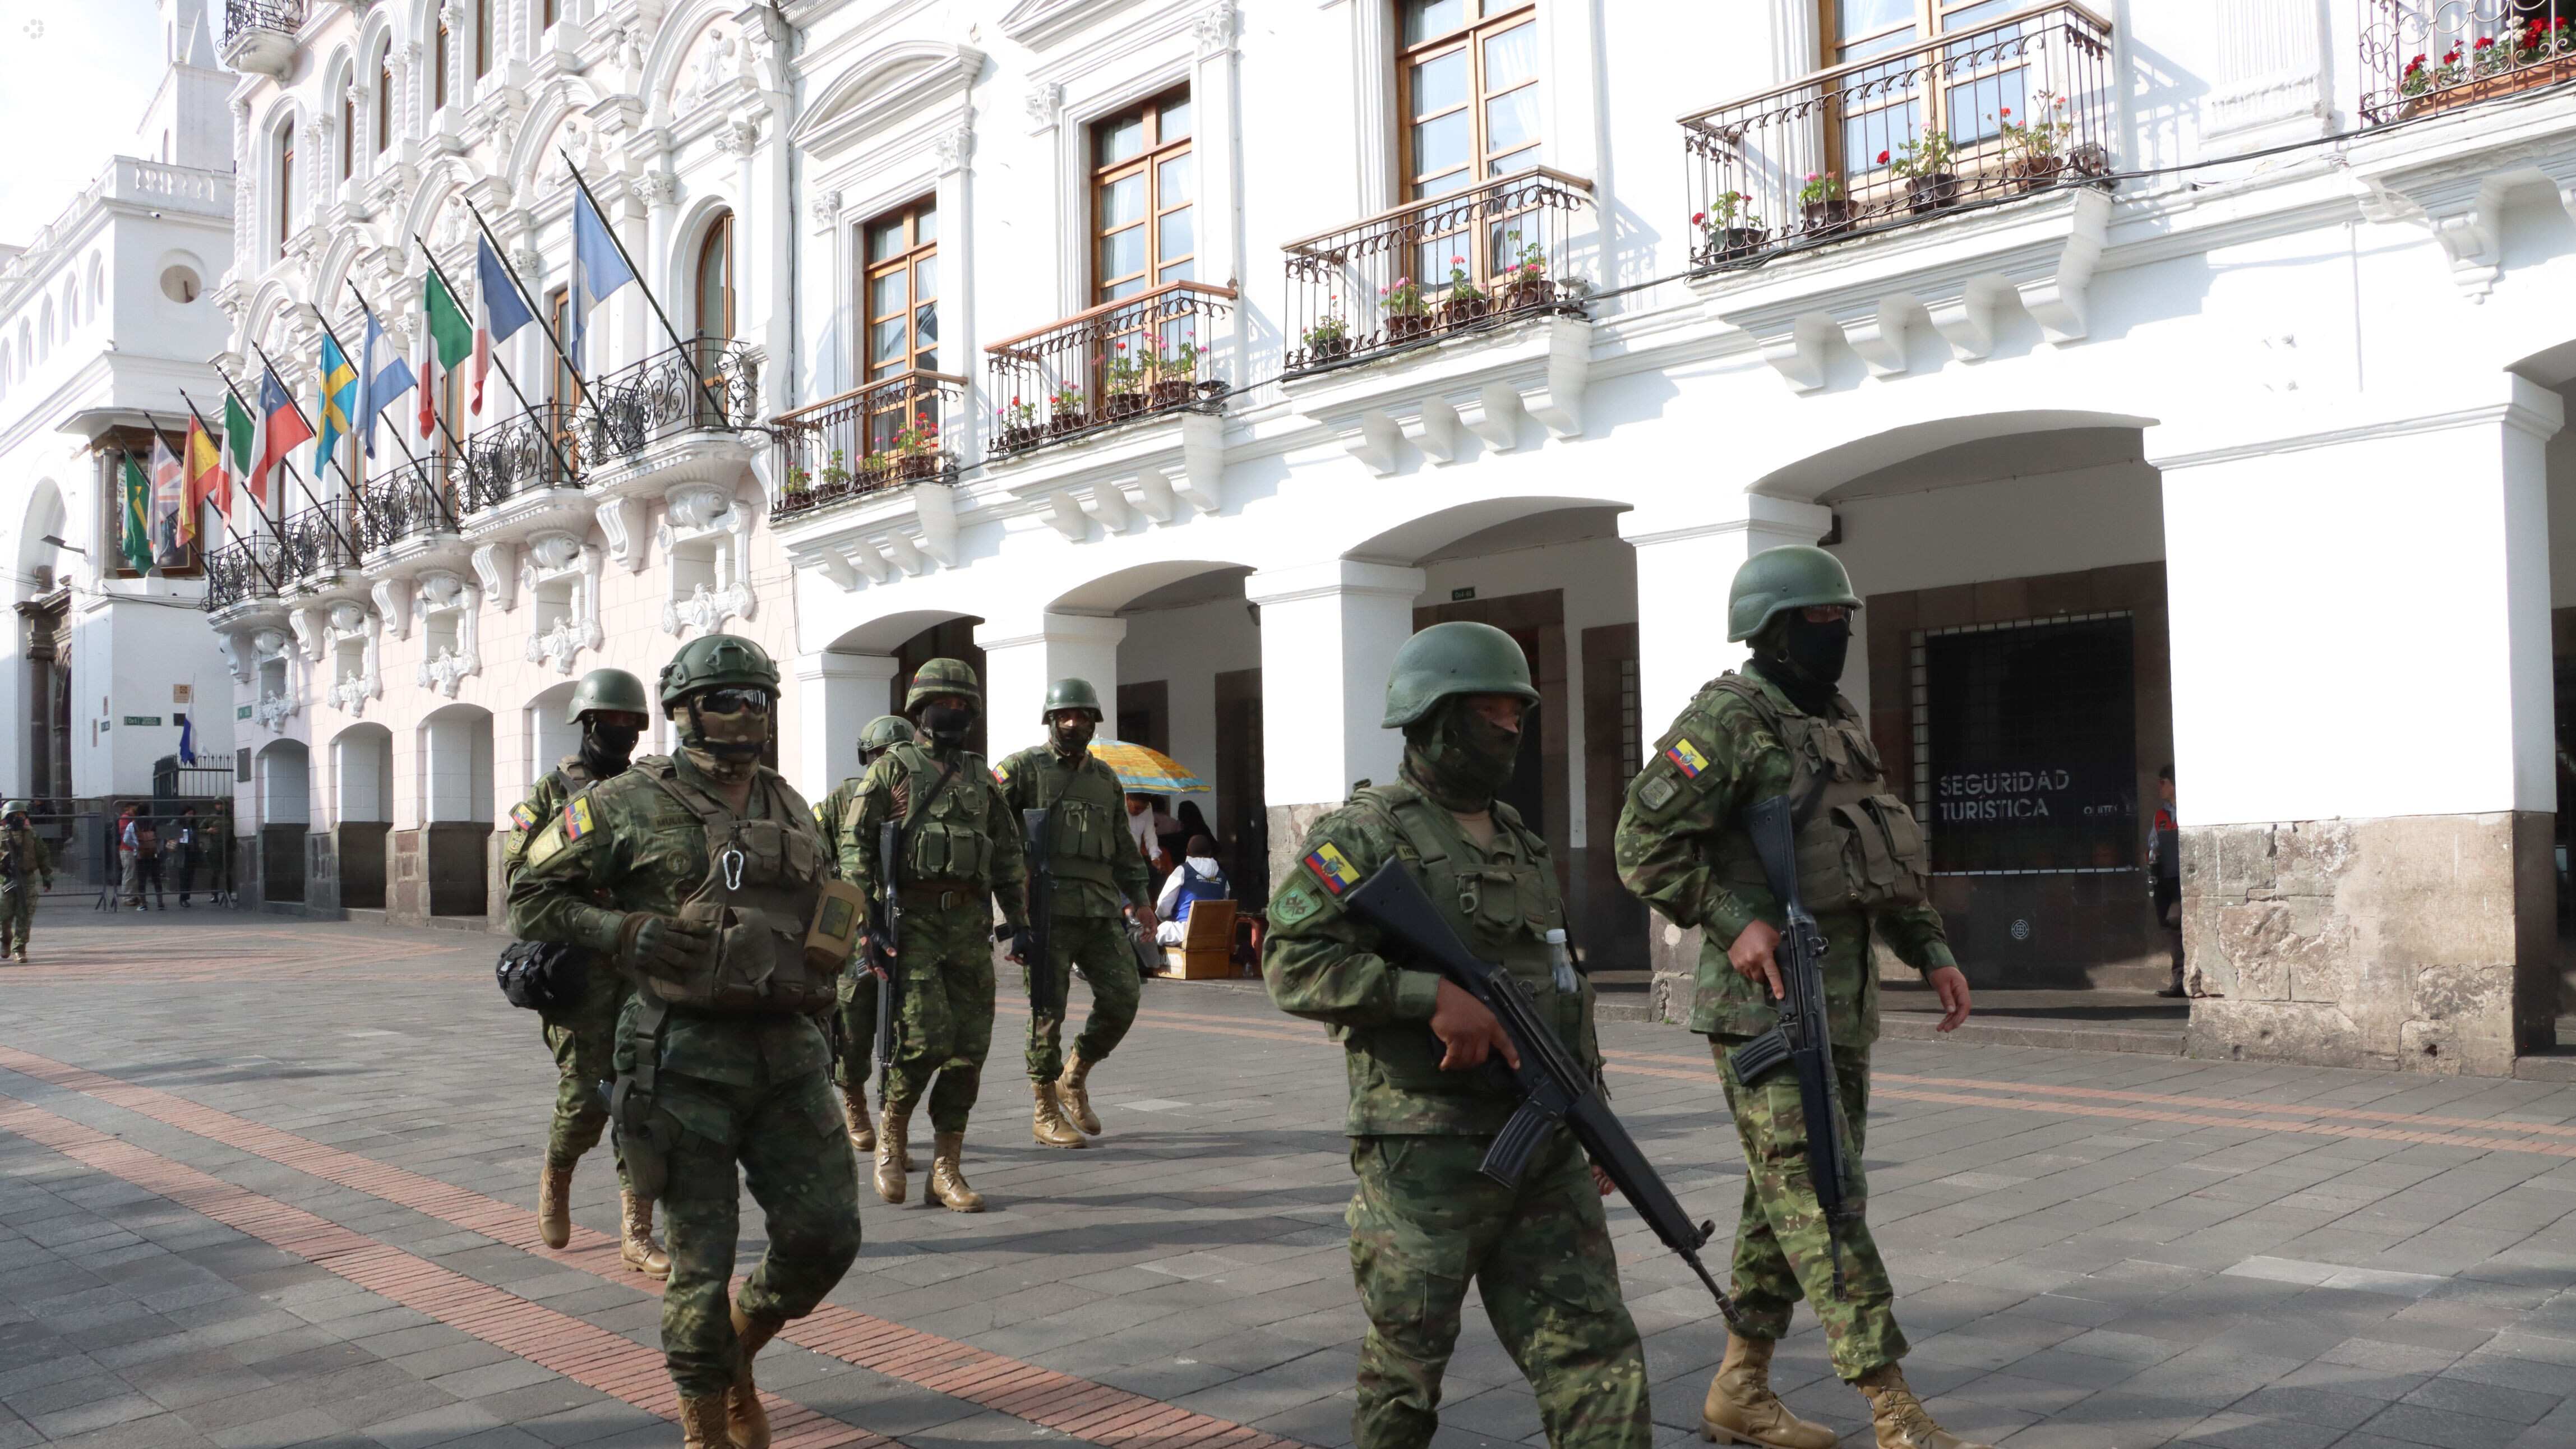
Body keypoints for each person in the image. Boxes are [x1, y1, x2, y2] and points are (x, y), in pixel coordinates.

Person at [1615, 544, 1987, 1449]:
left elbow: (1871, 845)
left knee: (1781, 1200)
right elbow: (1640, 839)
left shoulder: (1835, 718)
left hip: (1841, 999)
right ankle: (1890, 1404)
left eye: (1843, 620)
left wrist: (1926, 944)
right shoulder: (1727, 718)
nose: (1838, 635)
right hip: (1764, 1008)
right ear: (1774, 631)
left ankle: (1739, 1383)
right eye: (1821, 622)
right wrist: (1731, 916)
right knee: (1822, 1195)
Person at [1265, 621, 1649, 1449]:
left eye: (1518, 714)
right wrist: (1422, 995)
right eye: (1491, 713)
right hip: (1423, 1151)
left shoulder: (1518, 837)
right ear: (1434, 719)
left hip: (1543, 1143)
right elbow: (1290, 962)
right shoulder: (1363, 834)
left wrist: (1592, 1112)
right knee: (1407, 1371)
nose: (1510, 730)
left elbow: (1559, 982)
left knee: (1596, 1354)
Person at [509, 634, 858, 1449]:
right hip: (679, 1061)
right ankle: (709, 1419)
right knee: (699, 1268)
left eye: (758, 699)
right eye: (726, 699)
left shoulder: (788, 802)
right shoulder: (623, 801)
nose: (746, 715)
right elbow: (529, 896)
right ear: (683, 712)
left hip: (789, 1052)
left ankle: (736, 1353)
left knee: (825, 1237)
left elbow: (830, 895)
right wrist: (621, 930)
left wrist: (836, 957)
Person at [838, 658, 1028, 1211]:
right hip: (912, 926)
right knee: (923, 1039)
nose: (955, 713)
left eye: (965, 705)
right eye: (945, 703)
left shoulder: (978, 776)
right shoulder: (891, 770)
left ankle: (947, 1166)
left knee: (970, 1050)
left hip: (968, 928)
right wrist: (868, 923)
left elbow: (1009, 850)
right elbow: (855, 850)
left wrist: (1019, 922)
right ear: (920, 710)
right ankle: (892, 1139)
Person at [500, 667, 666, 1279]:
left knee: (641, 1098)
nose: (621, 732)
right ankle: (557, 1172)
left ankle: (637, 1229)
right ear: (587, 724)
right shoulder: (549, 797)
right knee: (583, 1099)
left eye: (631, 723)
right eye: (610, 722)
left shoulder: (653, 792)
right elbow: (520, 883)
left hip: (643, 969)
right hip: (583, 972)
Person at [995, 679, 1158, 1150]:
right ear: (1050, 719)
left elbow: (1124, 846)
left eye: (1082, 716)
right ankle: (1044, 1110)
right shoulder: (1023, 768)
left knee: (1124, 996)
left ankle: (1075, 1074)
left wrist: (1142, 898)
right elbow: (994, 829)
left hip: (1100, 906)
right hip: (1046, 908)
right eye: (1064, 715)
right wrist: (1011, 905)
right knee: (1048, 1010)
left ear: (1094, 721)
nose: (1073, 723)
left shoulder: (1106, 779)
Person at [815, 712, 916, 1153]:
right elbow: (811, 852)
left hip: (906, 924)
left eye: (897, 755)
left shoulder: (924, 797)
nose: (888, 764)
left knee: (903, 1024)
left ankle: (894, 1117)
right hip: (857, 922)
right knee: (854, 1018)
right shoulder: (842, 798)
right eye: (880, 756)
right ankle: (853, 1097)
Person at [0, 802, 53, 962]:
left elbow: (43, 855)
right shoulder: (1, 835)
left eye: (21, 815)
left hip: (27, 880)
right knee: (4, 916)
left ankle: (20, 949)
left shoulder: (32, 836)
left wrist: (47, 877)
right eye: (14, 815)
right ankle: (5, 940)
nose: (18, 818)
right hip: (5, 880)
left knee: (25, 916)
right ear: (6, 818)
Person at [1153, 834, 1228, 945]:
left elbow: (1163, 904)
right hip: (1215, 933)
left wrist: (1165, 918)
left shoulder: (1183, 871)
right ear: (1210, 853)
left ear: (1187, 852)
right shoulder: (1222, 876)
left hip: (1185, 932)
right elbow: (1224, 905)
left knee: (1156, 933)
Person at [2150, 765, 2184, 998]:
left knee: (2177, 920)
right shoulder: (2161, 815)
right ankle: (2180, 980)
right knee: (2170, 926)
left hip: (2183, 878)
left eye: (2163, 782)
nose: (2159, 787)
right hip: (2165, 876)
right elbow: (2151, 842)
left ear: (2174, 783)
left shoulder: (2192, 810)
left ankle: (2188, 978)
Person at [173, 806, 201, 907]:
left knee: (190, 876)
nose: (191, 816)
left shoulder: (193, 825)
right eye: (189, 814)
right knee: (183, 876)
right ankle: (183, 898)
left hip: (192, 852)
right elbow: (169, 834)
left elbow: (196, 838)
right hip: (182, 852)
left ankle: (186, 897)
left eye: (192, 814)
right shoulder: (178, 823)